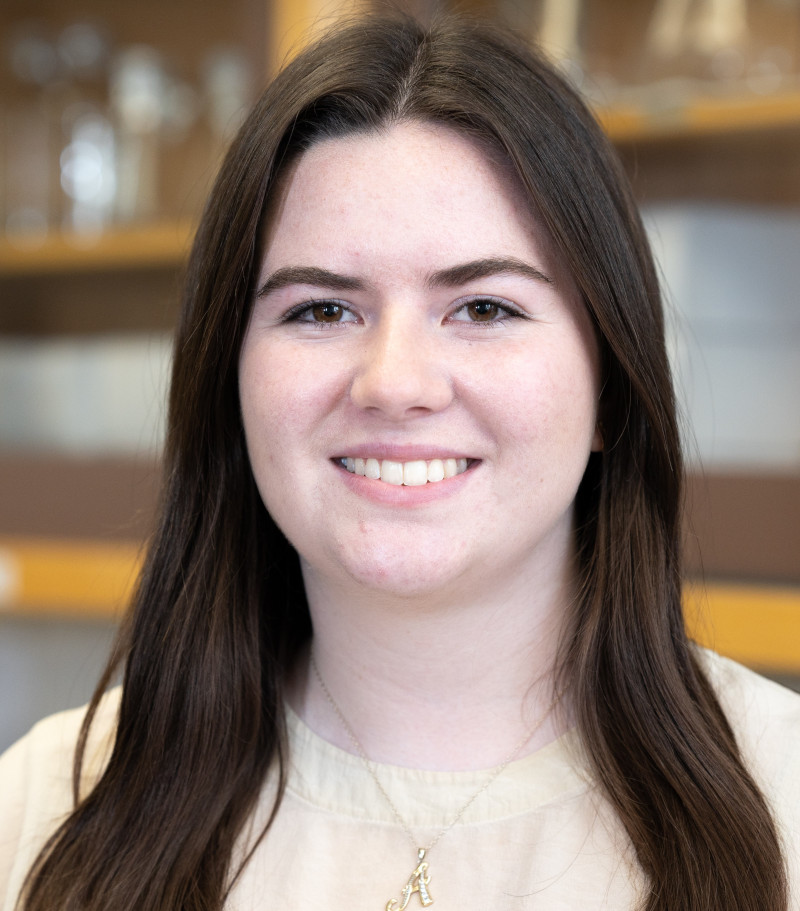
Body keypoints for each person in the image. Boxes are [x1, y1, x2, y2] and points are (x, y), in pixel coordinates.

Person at [1, 12, 798, 911]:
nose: (395, 383)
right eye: (322, 311)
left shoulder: (786, 799)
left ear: (611, 385)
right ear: (231, 379)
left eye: (485, 308)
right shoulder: (45, 812)